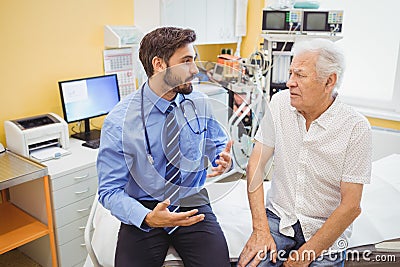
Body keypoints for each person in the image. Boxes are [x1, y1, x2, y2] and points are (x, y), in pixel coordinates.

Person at [97, 27, 233, 267]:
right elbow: (109, 192)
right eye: (186, 61)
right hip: (144, 207)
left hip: (191, 199)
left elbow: (216, 143)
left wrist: (220, 158)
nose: (195, 70)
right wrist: (148, 217)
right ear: (159, 65)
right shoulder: (119, 122)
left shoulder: (199, 102)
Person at [238, 38, 372, 267]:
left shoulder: (356, 128)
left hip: (324, 228)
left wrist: (303, 257)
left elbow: (351, 206)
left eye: (300, 75)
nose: (290, 82)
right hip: (280, 218)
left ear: (329, 81)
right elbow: (256, 166)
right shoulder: (280, 104)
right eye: (290, 73)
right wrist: (260, 229)